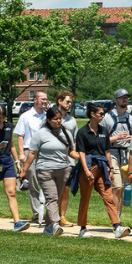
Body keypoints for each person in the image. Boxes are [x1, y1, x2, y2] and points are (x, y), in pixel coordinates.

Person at [72, 102, 131, 239]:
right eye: (100, 114)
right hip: (88, 166)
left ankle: (117, 226)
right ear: (92, 114)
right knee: (85, 198)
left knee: (109, 197)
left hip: (102, 167)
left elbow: (107, 152)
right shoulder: (82, 132)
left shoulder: (104, 131)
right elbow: (81, 153)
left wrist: (110, 169)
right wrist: (86, 171)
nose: (103, 116)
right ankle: (82, 228)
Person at [24, 106, 74, 235]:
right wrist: (24, 170)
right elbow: (32, 153)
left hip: (63, 169)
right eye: (55, 119)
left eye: (59, 118)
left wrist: (84, 160)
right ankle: (56, 224)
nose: (58, 121)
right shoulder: (40, 134)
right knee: (52, 198)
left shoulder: (66, 132)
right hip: (45, 170)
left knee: (55, 198)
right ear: (48, 120)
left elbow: (71, 152)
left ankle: (48, 227)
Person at [99, 88, 132, 223]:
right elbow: (99, 140)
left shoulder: (131, 119)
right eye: (122, 97)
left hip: (126, 154)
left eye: (126, 97)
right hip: (112, 154)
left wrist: (131, 138)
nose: (125, 99)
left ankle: (118, 216)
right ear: (115, 100)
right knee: (117, 187)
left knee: (123, 189)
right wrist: (115, 138)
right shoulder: (107, 119)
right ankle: (116, 219)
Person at [14, 91, 49, 224]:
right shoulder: (26, 116)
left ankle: (48, 213)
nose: (45, 101)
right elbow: (20, 135)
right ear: (35, 100)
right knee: (33, 182)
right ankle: (37, 214)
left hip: (45, 152)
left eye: (46, 99)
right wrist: (22, 153)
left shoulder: (48, 116)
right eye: (42, 99)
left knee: (47, 182)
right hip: (30, 151)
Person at [54, 91, 79, 227]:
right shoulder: (50, 117)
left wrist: (75, 156)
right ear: (59, 101)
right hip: (52, 158)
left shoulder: (72, 120)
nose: (69, 104)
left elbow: (74, 141)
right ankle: (51, 216)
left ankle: (62, 216)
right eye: (67, 101)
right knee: (52, 189)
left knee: (66, 189)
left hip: (68, 160)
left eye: (71, 102)